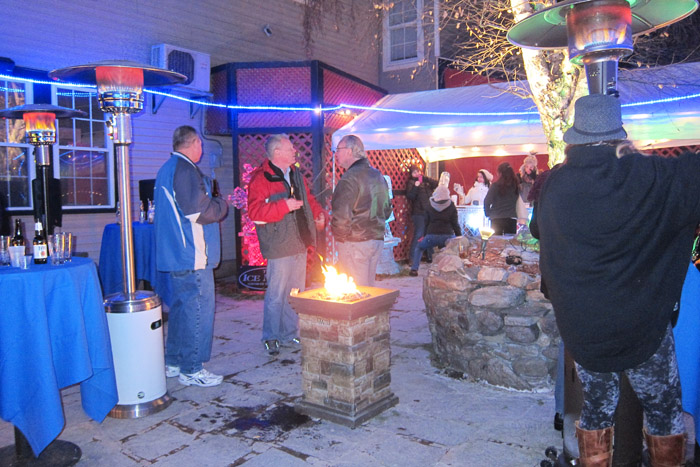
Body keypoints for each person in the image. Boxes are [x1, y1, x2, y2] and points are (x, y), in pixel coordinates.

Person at [536, 94, 700, 466]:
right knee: (662, 410)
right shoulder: (651, 177)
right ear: (618, 135)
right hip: (642, 328)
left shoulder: (553, 185)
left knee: (596, 407)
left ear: (575, 136)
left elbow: (539, 232)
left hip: (585, 329)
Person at [155, 125, 229, 387]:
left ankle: (174, 362)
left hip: (177, 254)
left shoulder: (167, 168)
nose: (201, 149)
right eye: (200, 144)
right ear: (194, 142)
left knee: (181, 310)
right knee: (198, 310)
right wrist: (222, 204)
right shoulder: (185, 170)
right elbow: (199, 213)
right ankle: (192, 369)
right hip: (191, 255)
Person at [247, 134, 324, 356]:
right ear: (277, 153)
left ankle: (289, 334)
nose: (295, 152)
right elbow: (255, 212)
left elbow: (308, 199)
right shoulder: (261, 178)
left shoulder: (296, 174)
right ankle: (270, 336)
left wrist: (318, 214)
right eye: (290, 148)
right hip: (279, 245)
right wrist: (284, 206)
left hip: (299, 241)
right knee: (276, 294)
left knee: (295, 292)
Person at [331, 134, 392, 287]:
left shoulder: (349, 178)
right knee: (367, 290)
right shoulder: (377, 175)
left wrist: (341, 238)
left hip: (355, 241)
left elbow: (341, 216)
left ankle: (362, 312)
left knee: (355, 293)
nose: (336, 153)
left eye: (338, 149)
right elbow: (387, 210)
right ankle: (369, 312)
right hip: (375, 240)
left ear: (349, 151)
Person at [409, 185, 461, 276]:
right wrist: (459, 236)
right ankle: (452, 270)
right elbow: (455, 223)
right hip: (447, 235)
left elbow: (426, 222)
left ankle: (414, 269)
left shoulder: (430, 205)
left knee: (419, 247)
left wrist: (424, 236)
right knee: (453, 250)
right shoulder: (451, 205)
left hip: (431, 235)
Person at [406, 164, 438, 263]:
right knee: (419, 234)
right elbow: (410, 196)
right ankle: (412, 258)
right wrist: (416, 186)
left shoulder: (426, 183)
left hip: (428, 211)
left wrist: (425, 179)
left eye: (418, 172)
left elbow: (436, 184)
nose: (417, 174)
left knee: (429, 234)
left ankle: (430, 256)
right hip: (418, 213)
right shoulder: (411, 183)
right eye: (414, 172)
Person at [483, 162, 519, 235]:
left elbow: (487, 201)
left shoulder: (495, 186)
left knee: (497, 243)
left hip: (496, 217)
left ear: (500, 173)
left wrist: (488, 213)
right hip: (511, 217)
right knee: (510, 243)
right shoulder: (516, 186)